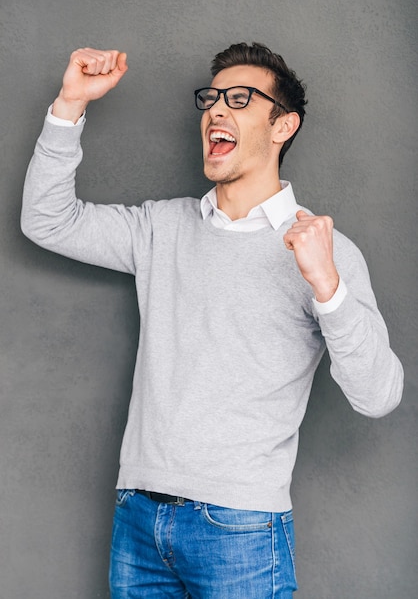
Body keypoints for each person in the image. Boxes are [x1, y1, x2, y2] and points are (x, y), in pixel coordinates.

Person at [21, 42, 403, 598]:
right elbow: (47, 221)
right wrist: (70, 102)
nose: (216, 110)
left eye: (240, 99)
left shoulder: (325, 250)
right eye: (212, 99)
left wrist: (328, 287)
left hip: (242, 528)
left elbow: (379, 394)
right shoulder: (162, 228)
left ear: (282, 126)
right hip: (138, 514)